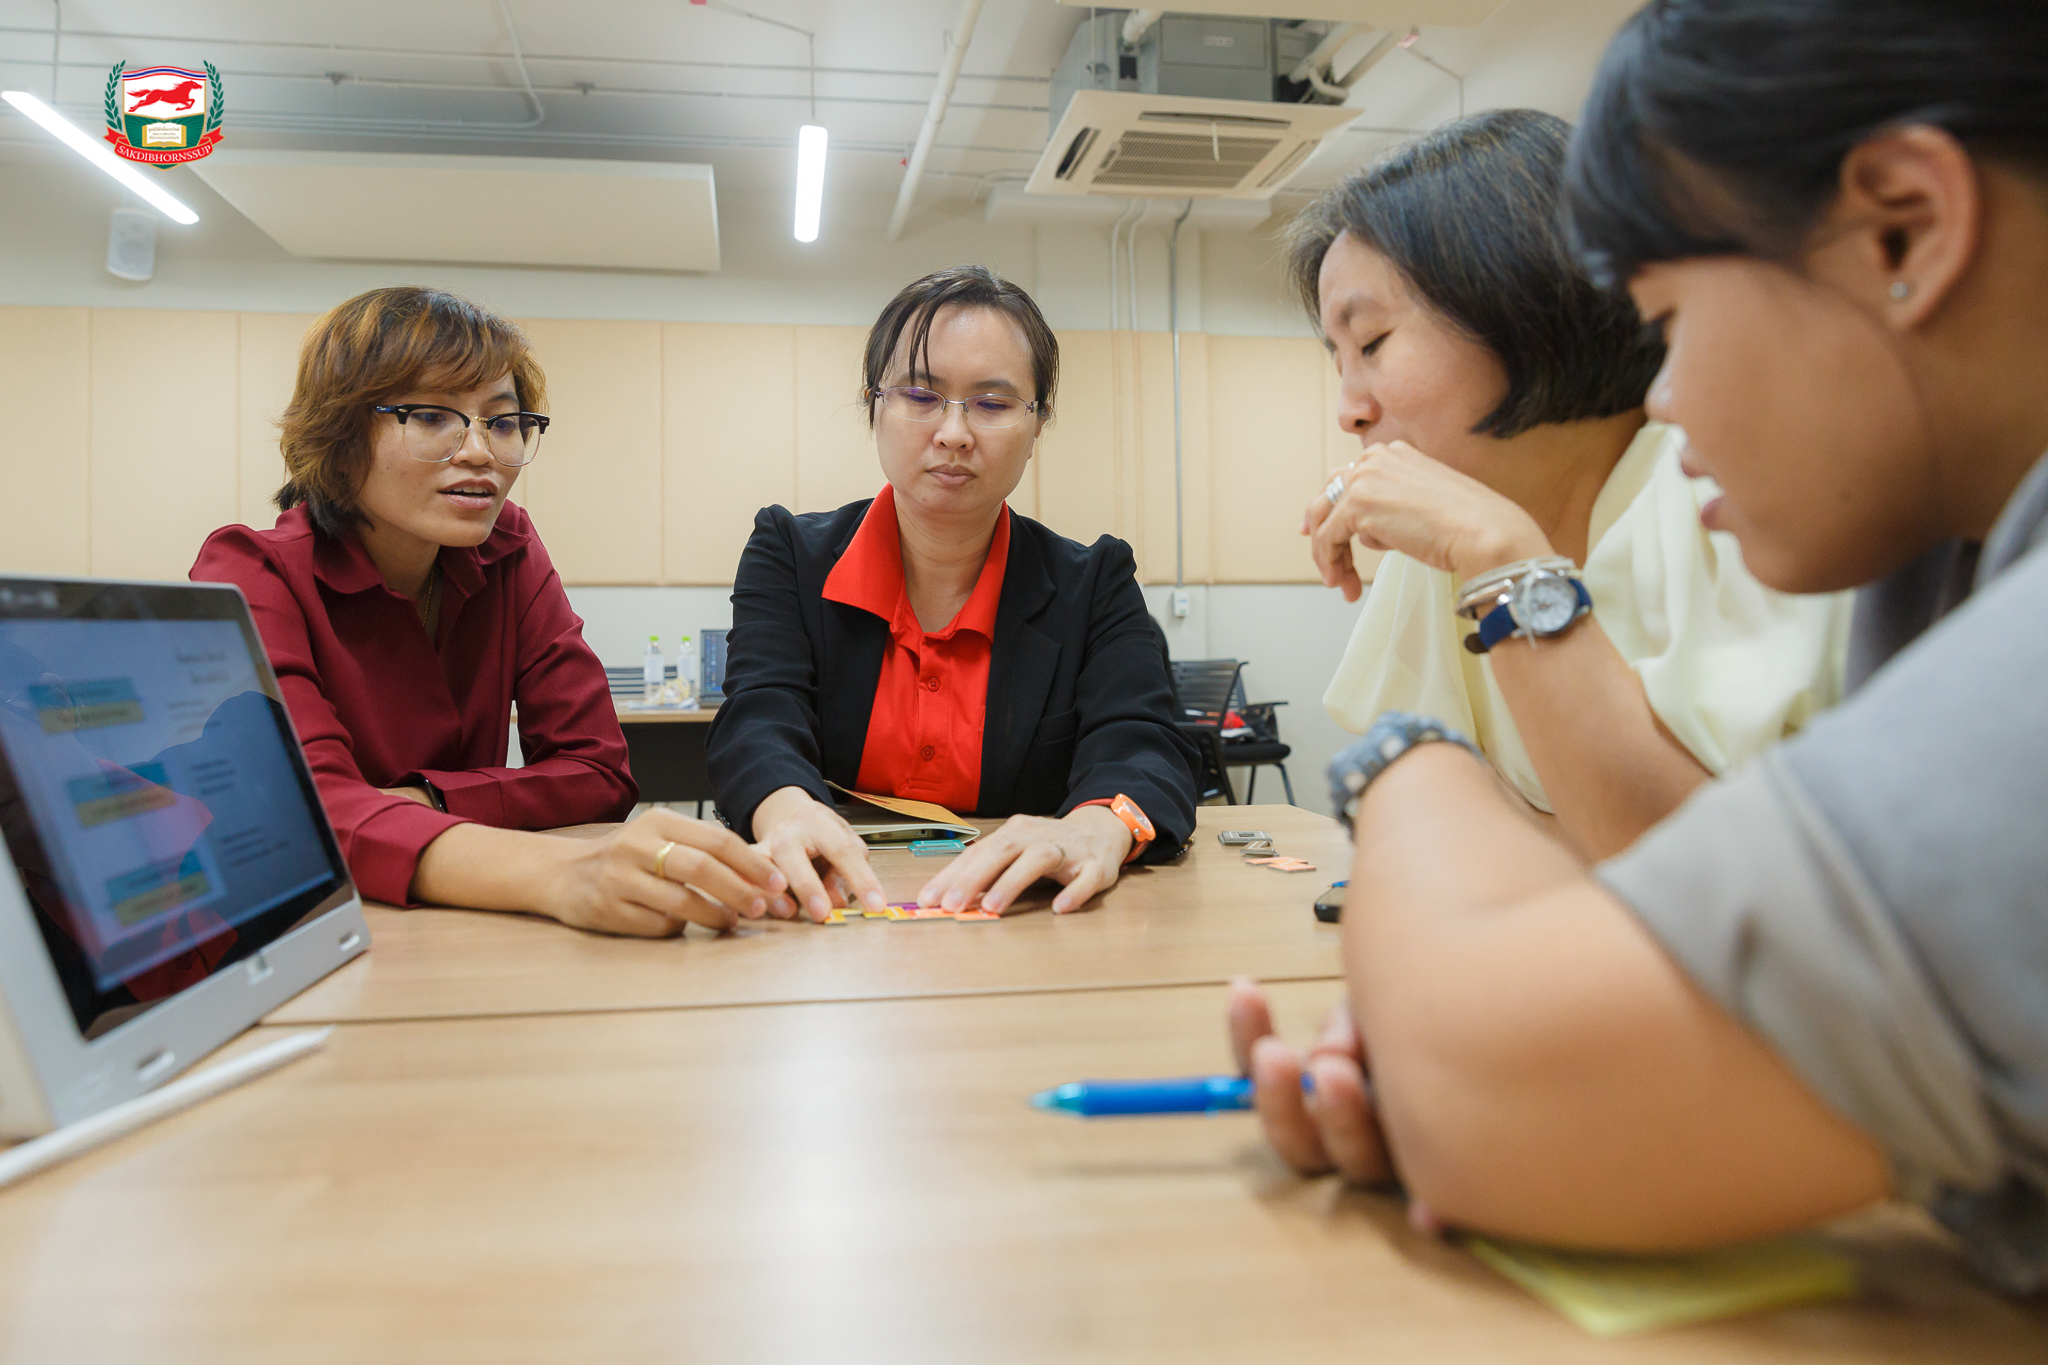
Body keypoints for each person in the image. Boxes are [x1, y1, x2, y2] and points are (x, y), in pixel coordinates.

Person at [1232, 0, 2048, 1295]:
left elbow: (1495, 1088)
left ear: (1904, 226)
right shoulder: (1939, 549)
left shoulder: (1781, 511)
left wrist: (1405, 770)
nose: (1658, 390)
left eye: (1666, 316)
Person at [1293, 109, 1848, 860]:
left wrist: (1504, 560)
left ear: (1514, 300)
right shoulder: (1447, 531)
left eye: (1373, 342)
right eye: (1339, 361)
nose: (1349, 410)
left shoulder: (1725, 489)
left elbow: (1721, 877)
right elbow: (1437, 821)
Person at [193, 287, 785, 936]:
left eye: (502, 422)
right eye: (430, 416)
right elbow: (302, 813)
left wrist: (425, 799)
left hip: (457, 926)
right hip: (297, 935)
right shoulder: (250, 570)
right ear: (339, 432)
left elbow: (597, 771)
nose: (480, 451)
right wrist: (555, 873)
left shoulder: (507, 547)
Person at [706, 265, 1200, 921]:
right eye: (920, 394)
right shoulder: (790, 555)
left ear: (1038, 424)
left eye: (992, 405)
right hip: (833, 913)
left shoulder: (1095, 584)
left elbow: (1145, 747)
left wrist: (1096, 828)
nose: (954, 433)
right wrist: (786, 808)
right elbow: (758, 718)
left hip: (1025, 922)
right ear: (874, 406)